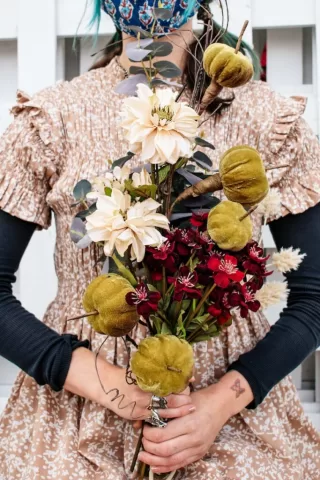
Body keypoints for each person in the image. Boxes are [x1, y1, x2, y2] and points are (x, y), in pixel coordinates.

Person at [0, 1, 319, 478]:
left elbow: (313, 295)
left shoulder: (268, 120)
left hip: (229, 419)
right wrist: (110, 386)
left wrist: (220, 403)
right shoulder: (52, 120)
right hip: (73, 419)